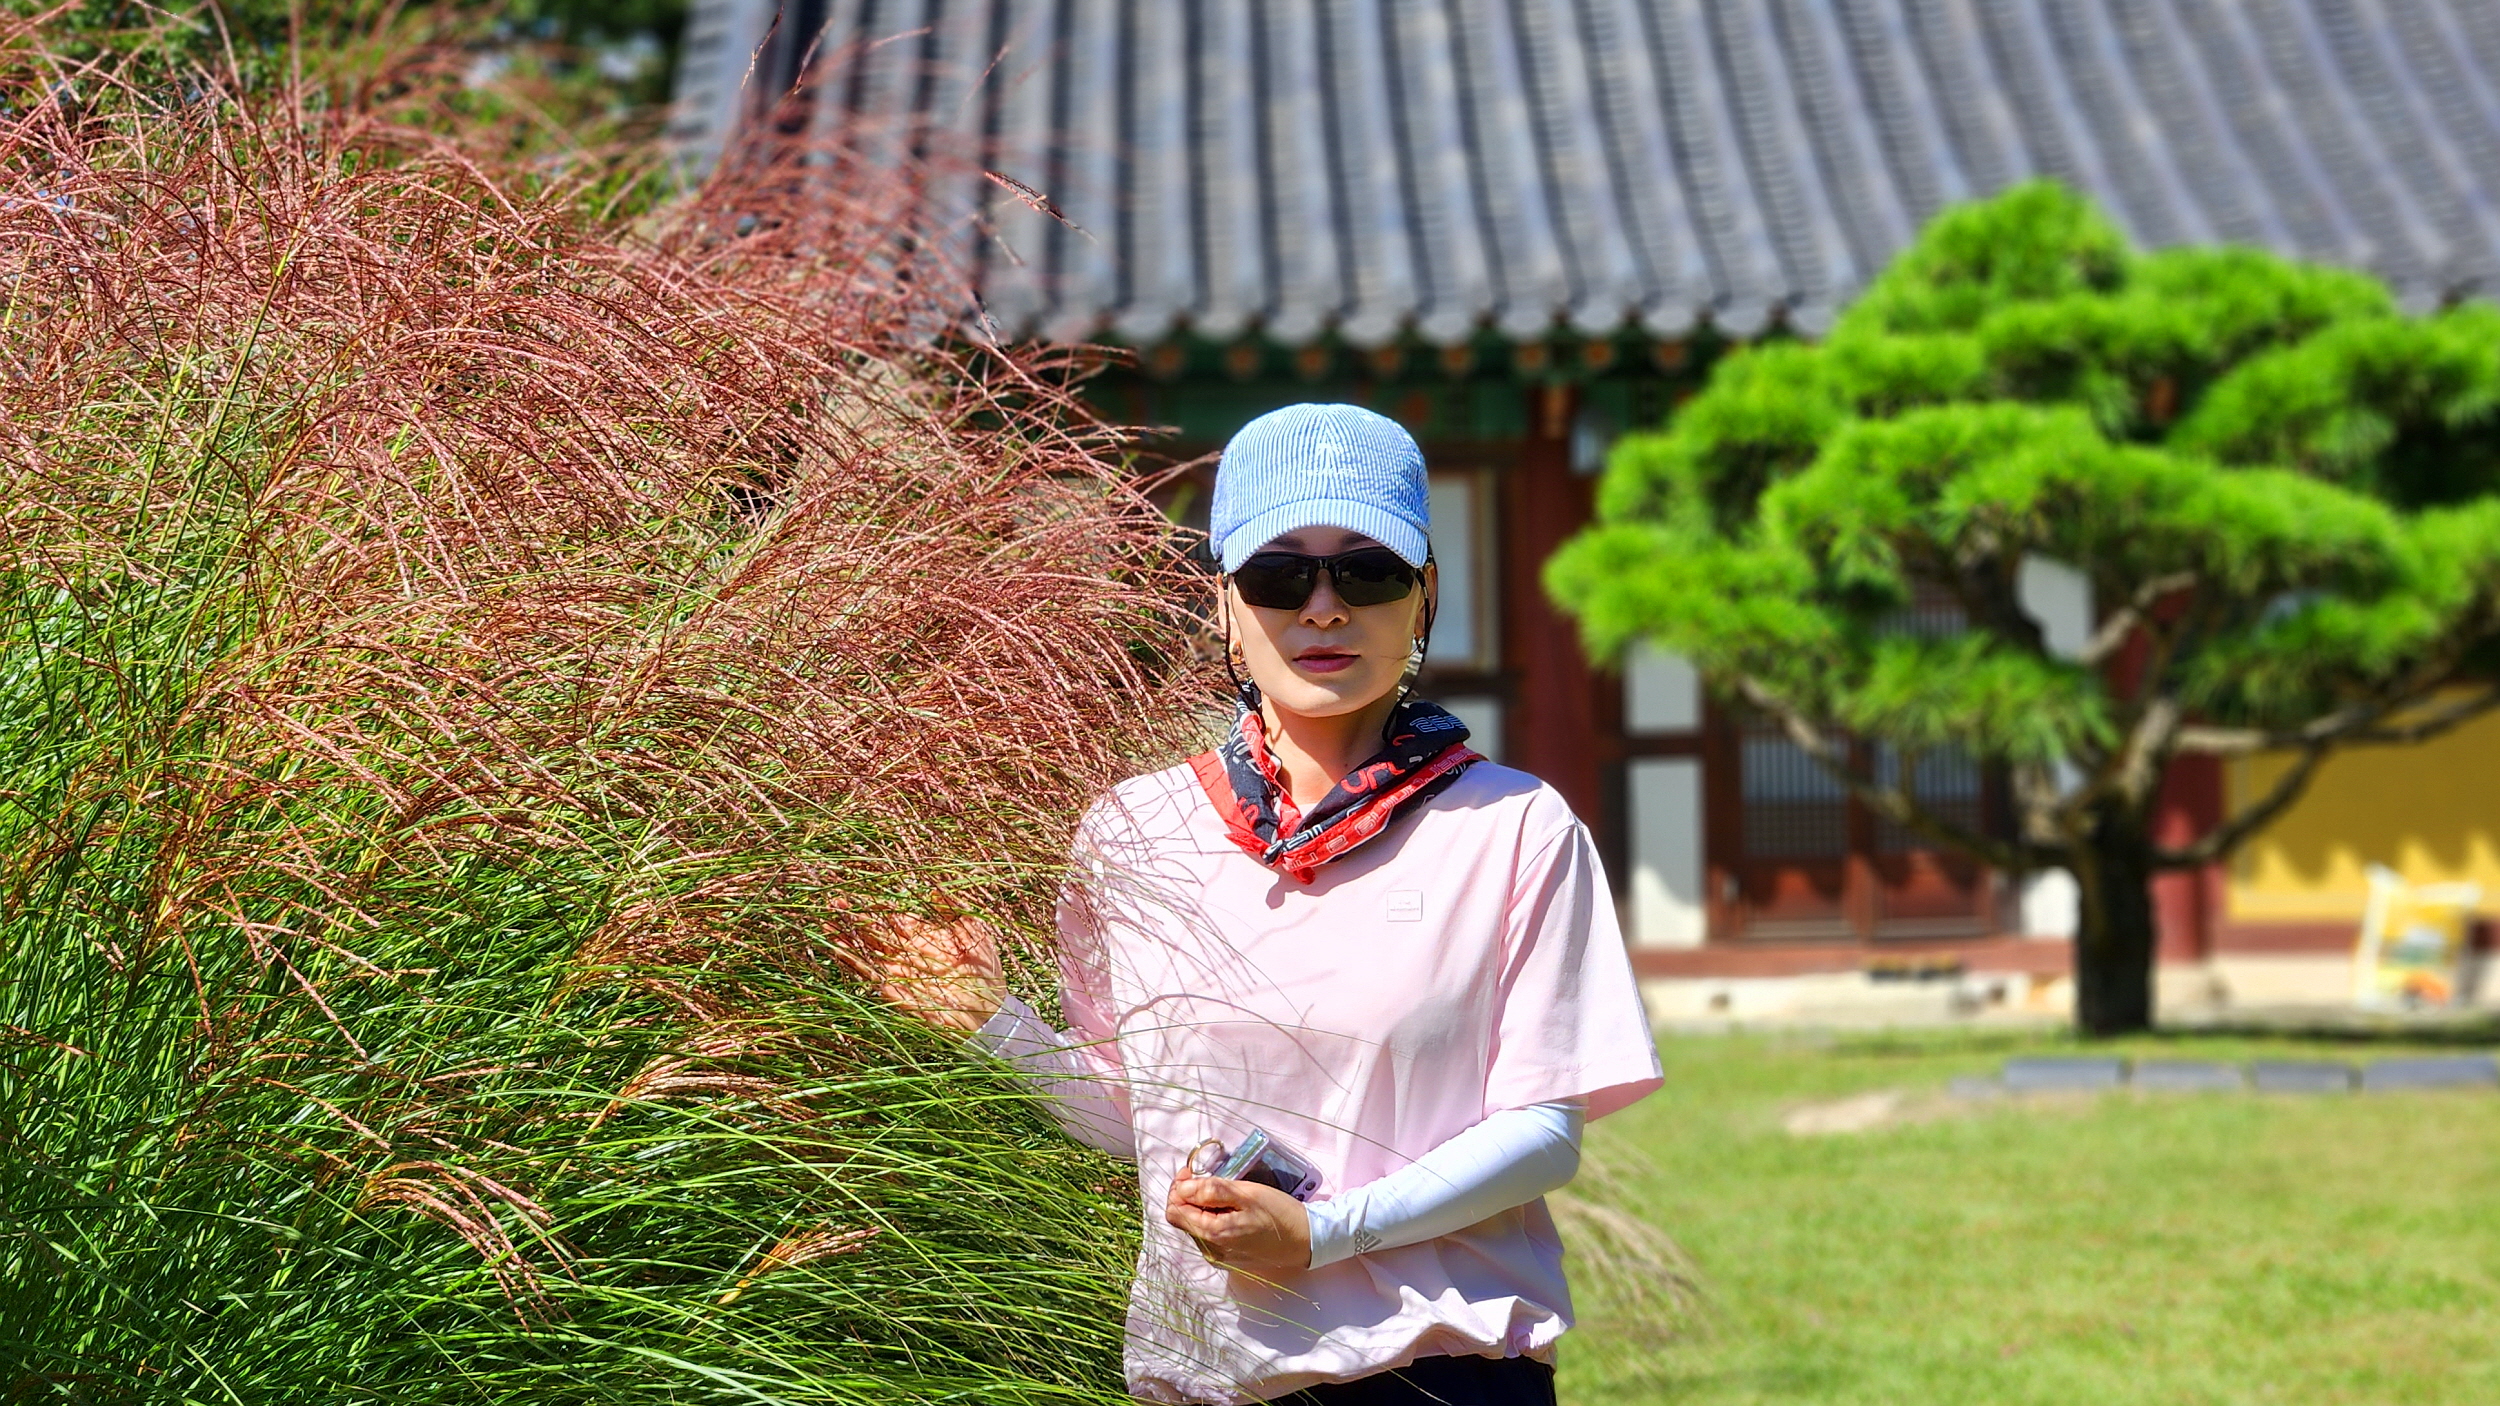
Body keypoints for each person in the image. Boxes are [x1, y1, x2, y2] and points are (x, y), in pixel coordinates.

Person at [876, 403, 1662, 1405]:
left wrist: (1325, 1234)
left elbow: (1544, 1130)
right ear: (1223, 604)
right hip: (1209, 1375)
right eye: (1280, 576)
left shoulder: (1513, 825)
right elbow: (1137, 1116)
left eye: (1367, 572)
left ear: (1424, 595)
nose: (1323, 608)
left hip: (1439, 1375)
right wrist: (993, 1023)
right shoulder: (1132, 832)